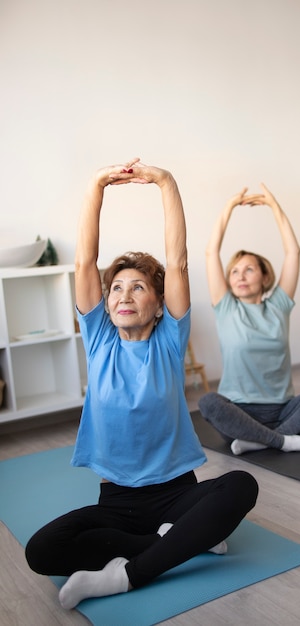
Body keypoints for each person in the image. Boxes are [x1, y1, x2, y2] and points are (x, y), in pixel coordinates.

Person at [25, 158, 258, 610]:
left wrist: (166, 182)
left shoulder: (170, 339)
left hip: (177, 493)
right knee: (40, 551)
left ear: (158, 304)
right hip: (115, 502)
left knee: (241, 486)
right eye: (116, 288)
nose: (124, 295)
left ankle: (127, 575)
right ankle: (178, 543)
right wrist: (96, 185)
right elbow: (84, 260)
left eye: (138, 288)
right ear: (105, 304)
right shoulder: (98, 339)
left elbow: (179, 259)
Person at [198, 184, 300, 457]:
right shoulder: (226, 307)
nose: (240, 276)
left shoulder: (278, 305)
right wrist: (230, 206)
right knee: (209, 402)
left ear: (265, 276)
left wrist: (273, 204)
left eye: (249, 270)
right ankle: (288, 440)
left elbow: (293, 252)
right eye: (234, 271)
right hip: (238, 410)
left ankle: (264, 440)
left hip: (283, 409)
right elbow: (212, 253)